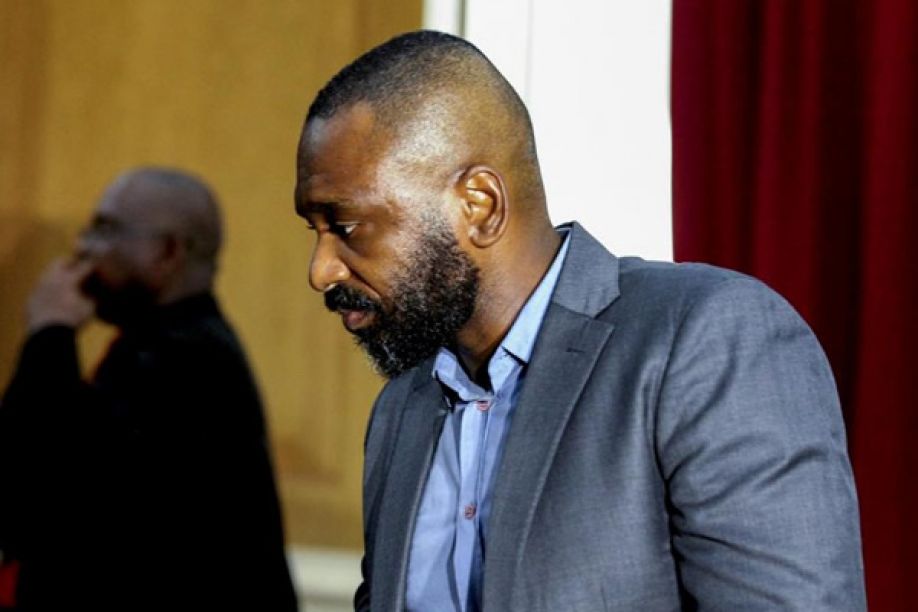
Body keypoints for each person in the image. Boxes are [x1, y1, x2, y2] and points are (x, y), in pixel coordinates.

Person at [295, 31, 866, 611]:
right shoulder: (402, 407)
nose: (321, 271)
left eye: (347, 227)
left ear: (479, 206)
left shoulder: (709, 339)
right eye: (313, 230)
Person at [0, 168, 298, 611]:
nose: (82, 248)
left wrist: (51, 332)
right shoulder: (173, 346)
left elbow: (36, 499)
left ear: (167, 252)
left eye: (104, 229)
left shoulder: (185, 366)